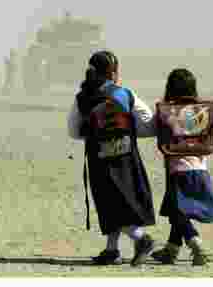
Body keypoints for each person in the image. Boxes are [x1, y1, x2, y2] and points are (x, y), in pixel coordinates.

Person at [66, 50, 157, 266]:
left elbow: (73, 130)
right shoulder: (124, 93)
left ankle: (141, 239)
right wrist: (130, 132)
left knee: (109, 202)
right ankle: (112, 249)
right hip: (126, 155)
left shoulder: (83, 97)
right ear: (113, 72)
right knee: (121, 201)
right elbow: (148, 123)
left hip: (99, 156)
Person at [148, 69, 213, 266]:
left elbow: (147, 128)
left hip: (179, 173)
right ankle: (171, 250)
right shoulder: (201, 113)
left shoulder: (167, 113)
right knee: (179, 213)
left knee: (178, 213)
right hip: (200, 172)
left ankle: (196, 245)